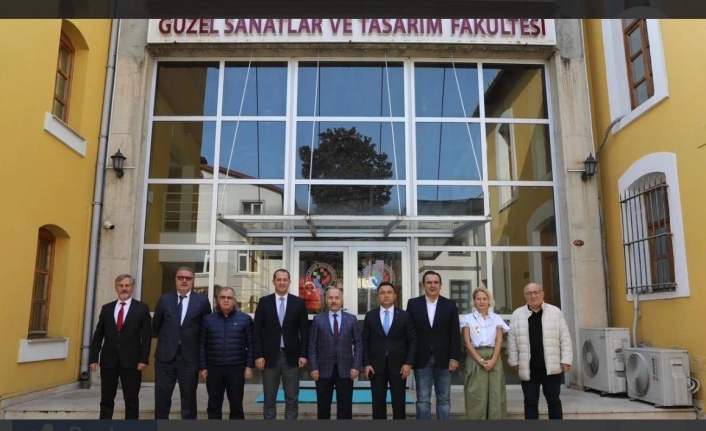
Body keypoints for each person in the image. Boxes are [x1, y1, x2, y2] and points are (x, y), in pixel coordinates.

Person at [152, 266, 212, 419]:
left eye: (188, 278)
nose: (184, 281)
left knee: (189, 398)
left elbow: (205, 330)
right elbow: (156, 326)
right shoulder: (164, 299)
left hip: (189, 357)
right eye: (180, 277)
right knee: (162, 396)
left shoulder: (202, 301)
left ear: (193, 281)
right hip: (165, 357)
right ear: (175, 280)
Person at [89, 274, 152, 419]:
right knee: (106, 399)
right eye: (121, 285)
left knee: (131, 400)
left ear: (132, 288)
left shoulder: (141, 308)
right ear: (116, 288)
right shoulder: (107, 309)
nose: (124, 288)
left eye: (127, 286)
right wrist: (94, 358)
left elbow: (146, 337)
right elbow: (98, 335)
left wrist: (144, 359)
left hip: (132, 362)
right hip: (108, 361)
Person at [507, 282, 573, 419]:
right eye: (529, 293)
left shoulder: (555, 312)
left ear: (542, 293)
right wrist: (514, 362)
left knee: (554, 401)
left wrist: (566, 359)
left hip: (552, 367)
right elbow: (512, 341)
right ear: (525, 296)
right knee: (530, 403)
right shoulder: (517, 314)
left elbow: (565, 338)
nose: (533, 296)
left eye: (536, 292)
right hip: (529, 368)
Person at [253, 269, 310, 420]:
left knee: (292, 398)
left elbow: (305, 331)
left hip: (292, 357)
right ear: (273, 282)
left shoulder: (298, 303)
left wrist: (303, 355)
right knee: (269, 398)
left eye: (285, 280)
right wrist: (258, 355)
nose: (282, 282)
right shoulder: (264, 302)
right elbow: (256, 331)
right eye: (279, 279)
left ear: (290, 282)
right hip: (269, 358)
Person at [406, 270, 460, 420]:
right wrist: (409, 359)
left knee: (444, 399)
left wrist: (454, 357)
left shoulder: (450, 305)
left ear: (440, 285)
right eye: (429, 282)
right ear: (423, 285)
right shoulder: (413, 304)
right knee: (423, 399)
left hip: (444, 360)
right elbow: (409, 332)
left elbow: (455, 333)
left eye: (436, 282)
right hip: (421, 358)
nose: (432, 285)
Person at [362, 281, 417, 420]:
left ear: (395, 296)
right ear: (378, 296)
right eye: (382, 293)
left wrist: (408, 363)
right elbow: (365, 341)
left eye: (389, 292)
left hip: (399, 367)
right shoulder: (370, 316)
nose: (386, 295)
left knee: (399, 403)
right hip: (376, 367)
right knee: (378, 403)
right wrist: (366, 363)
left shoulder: (404, 316)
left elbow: (412, 340)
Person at [199, 287, 254, 419]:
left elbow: (251, 344)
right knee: (214, 405)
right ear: (217, 300)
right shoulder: (207, 320)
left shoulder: (245, 319)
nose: (226, 300)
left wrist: (249, 366)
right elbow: (202, 345)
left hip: (236, 369)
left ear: (234, 301)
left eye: (229, 298)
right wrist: (203, 367)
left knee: (236, 405)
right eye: (222, 297)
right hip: (214, 369)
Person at [308, 286, 362, 419]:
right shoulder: (318, 319)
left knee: (345, 408)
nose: (333, 301)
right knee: (323, 407)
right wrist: (313, 367)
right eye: (330, 298)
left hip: (346, 370)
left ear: (342, 300)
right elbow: (312, 346)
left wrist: (356, 366)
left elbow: (358, 344)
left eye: (337, 298)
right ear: (326, 300)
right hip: (322, 370)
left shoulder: (351, 319)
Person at [461, 287, 510, 419]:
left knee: (495, 393)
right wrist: (480, 360)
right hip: (475, 356)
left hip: (494, 356)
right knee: (477, 393)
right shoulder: (467, 319)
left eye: (484, 299)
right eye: (478, 299)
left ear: (489, 301)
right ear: (474, 301)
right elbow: (467, 342)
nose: (482, 301)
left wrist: (493, 360)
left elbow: (499, 341)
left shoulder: (496, 318)